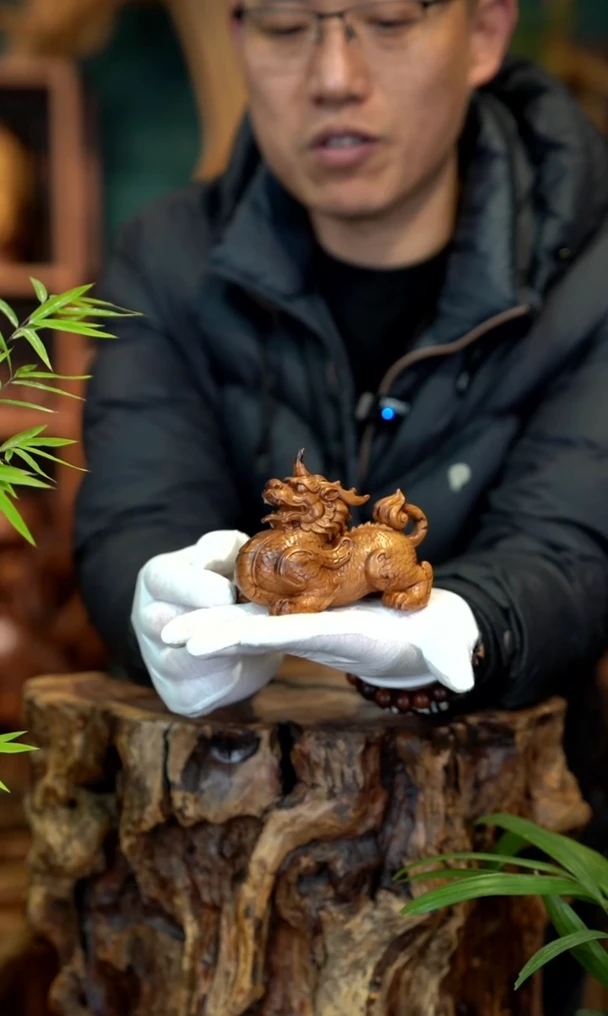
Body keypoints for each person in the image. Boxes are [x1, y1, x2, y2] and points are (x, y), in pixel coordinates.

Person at [74, 0, 608, 771]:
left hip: (527, 825)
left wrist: (462, 624)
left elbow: (571, 547)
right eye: (288, 29)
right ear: (241, 38)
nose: (334, 77)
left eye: (388, 22)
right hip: (223, 803)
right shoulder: (164, 260)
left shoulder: (593, 271)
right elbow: (137, 512)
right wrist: (160, 613)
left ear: (484, 32)